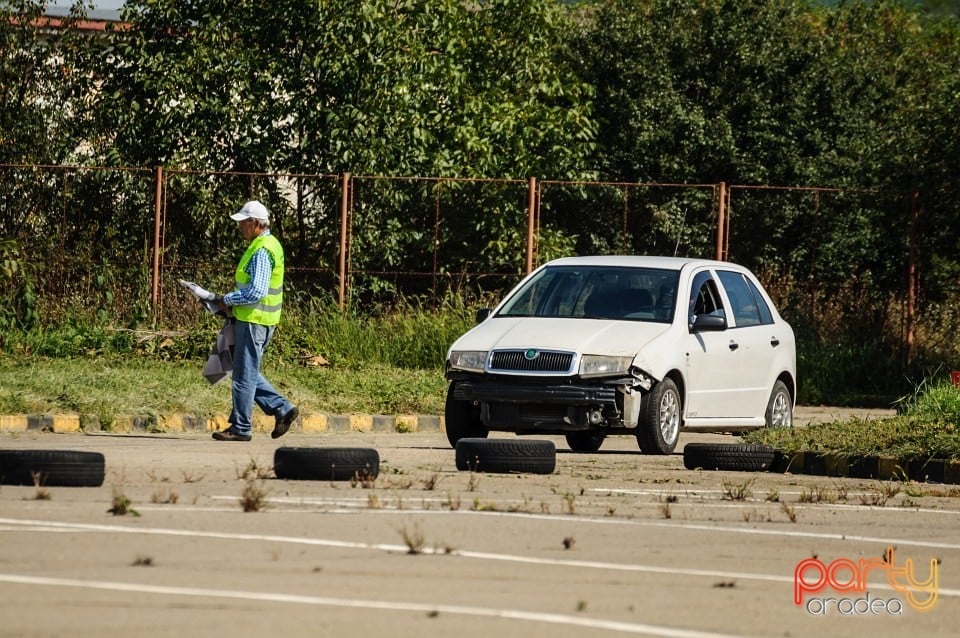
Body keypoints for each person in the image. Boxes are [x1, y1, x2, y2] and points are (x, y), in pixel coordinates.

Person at [211, 200, 299, 441]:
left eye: (243, 222)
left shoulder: (261, 249)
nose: (240, 226)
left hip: (254, 320)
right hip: (259, 319)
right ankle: (283, 409)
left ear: (255, 223)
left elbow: (256, 291)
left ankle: (241, 427)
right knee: (244, 370)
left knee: (243, 376)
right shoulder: (269, 244)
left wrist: (226, 300)